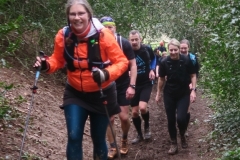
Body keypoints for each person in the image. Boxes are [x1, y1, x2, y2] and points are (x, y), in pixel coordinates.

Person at [33, 0, 129, 159]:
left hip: (102, 93)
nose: (77, 18)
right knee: (74, 136)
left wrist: (106, 73)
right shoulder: (63, 35)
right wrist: (45, 65)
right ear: (68, 16)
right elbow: (57, 60)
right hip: (75, 93)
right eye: (73, 14)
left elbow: (122, 62)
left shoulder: (104, 35)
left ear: (89, 15)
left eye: (81, 13)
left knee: (98, 139)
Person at [99, 16, 137, 159]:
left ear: (115, 28)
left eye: (111, 26)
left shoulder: (124, 43)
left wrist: (132, 85)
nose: (108, 29)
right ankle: (113, 146)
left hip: (122, 83)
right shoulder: (97, 43)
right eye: (105, 27)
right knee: (110, 118)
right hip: (107, 84)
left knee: (124, 117)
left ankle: (124, 139)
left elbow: (133, 65)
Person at [155, 38, 197, 155]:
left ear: (179, 49)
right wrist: (158, 93)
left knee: (181, 118)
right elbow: (161, 79)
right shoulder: (164, 62)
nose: (173, 52)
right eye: (171, 50)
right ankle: (173, 142)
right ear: (168, 50)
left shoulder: (186, 60)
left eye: (175, 50)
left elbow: (193, 75)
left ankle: (182, 134)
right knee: (171, 119)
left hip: (183, 93)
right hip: (169, 94)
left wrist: (193, 90)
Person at [128, 30, 156, 144]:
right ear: (129, 40)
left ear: (140, 39)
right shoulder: (127, 51)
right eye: (132, 40)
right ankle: (139, 134)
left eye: (136, 39)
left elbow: (154, 59)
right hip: (133, 84)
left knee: (143, 107)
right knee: (134, 112)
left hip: (146, 83)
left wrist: (152, 69)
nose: (134, 42)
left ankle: (147, 127)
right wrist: (127, 73)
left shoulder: (146, 49)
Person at [180, 39, 200, 136]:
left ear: (188, 48)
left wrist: (193, 86)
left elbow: (196, 73)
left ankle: (184, 129)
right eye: (181, 48)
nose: (183, 50)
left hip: (188, 84)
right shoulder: (175, 57)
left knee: (186, 108)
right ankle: (180, 126)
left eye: (185, 48)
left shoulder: (192, 58)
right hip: (177, 85)